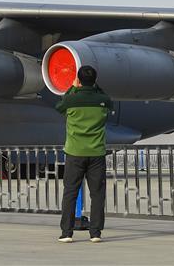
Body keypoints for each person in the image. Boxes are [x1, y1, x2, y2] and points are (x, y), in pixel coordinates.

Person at [55, 65, 111, 243]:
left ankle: (66, 232)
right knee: (97, 193)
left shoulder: (71, 100)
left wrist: (73, 87)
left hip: (74, 152)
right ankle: (95, 233)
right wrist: (96, 87)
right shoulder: (103, 100)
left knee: (70, 192)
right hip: (96, 153)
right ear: (95, 80)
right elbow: (108, 101)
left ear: (78, 80)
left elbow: (60, 106)